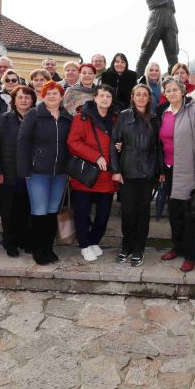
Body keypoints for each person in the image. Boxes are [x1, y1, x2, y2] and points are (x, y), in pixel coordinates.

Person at [157, 77, 195, 272]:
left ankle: (190, 255)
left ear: (182, 91)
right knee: (174, 214)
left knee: (191, 215)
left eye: (175, 89)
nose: (171, 93)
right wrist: (161, 170)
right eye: (168, 90)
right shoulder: (164, 113)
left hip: (190, 172)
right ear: (164, 93)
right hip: (170, 171)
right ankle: (178, 247)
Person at [17, 81, 73, 265]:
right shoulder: (34, 114)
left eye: (55, 93)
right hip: (37, 172)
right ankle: (37, 249)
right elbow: (23, 142)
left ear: (61, 96)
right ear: (42, 95)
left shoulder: (66, 117)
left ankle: (48, 248)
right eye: (48, 93)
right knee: (39, 211)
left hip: (60, 173)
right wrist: (24, 169)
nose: (51, 96)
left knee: (52, 212)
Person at [110, 84, 162, 267]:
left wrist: (161, 171)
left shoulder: (155, 118)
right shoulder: (124, 115)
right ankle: (126, 246)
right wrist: (115, 170)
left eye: (144, 95)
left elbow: (158, 147)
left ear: (149, 98)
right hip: (127, 171)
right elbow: (113, 143)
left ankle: (139, 248)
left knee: (143, 212)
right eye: (137, 94)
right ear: (132, 97)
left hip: (148, 172)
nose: (141, 97)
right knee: (128, 212)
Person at [67, 85, 119, 262]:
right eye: (102, 95)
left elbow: (118, 140)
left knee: (103, 213)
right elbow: (73, 142)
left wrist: (119, 146)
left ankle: (94, 240)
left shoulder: (115, 119)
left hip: (107, 175)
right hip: (86, 173)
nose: (105, 99)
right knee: (82, 212)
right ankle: (84, 244)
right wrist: (95, 156)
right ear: (94, 98)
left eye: (108, 96)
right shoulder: (81, 118)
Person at [0, 84, 36, 257]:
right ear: (14, 101)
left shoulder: (37, 118)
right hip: (8, 174)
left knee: (28, 210)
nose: (24, 100)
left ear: (33, 100)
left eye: (27, 97)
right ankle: (10, 243)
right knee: (9, 211)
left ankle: (26, 241)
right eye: (20, 97)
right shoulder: (4, 119)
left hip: (31, 174)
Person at [135, 0, 187, 76]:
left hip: (170, 17)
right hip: (156, 16)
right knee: (146, 51)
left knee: (173, 55)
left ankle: (175, 83)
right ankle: (138, 81)